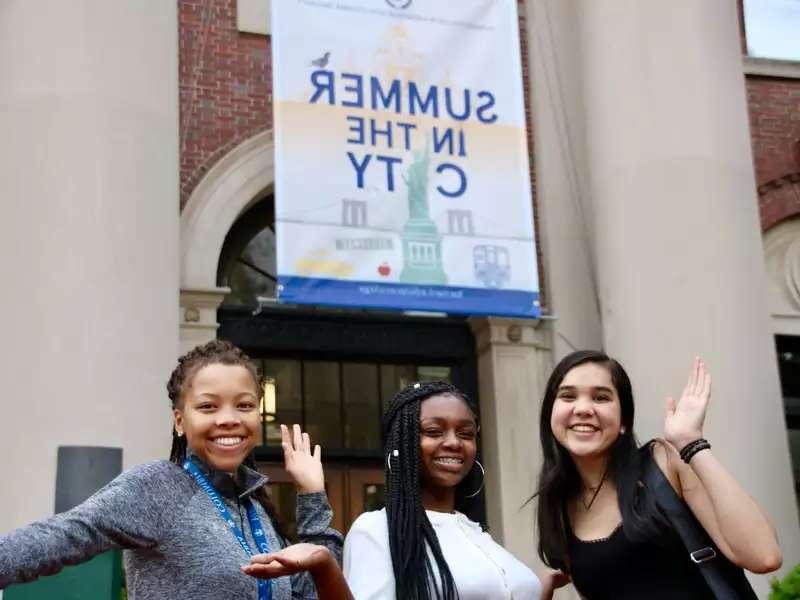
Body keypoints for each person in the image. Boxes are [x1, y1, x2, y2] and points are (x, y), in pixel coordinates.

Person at [0, 339, 345, 600]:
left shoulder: (256, 507)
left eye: (244, 405)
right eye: (208, 406)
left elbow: (314, 591)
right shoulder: (156, 487)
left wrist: (311, 495)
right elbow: (62, 536)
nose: (229, 419)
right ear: (180, 421)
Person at [536, 351, 782, 599]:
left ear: (624, 421)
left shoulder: (662, 464)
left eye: (601, 398)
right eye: (568, 396)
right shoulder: (557, 506)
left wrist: (691, 443)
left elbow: (764, 556)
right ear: (550, 415)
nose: (583, 408)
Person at [340, 380, 569, 600]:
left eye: (466, 434)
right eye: (433, 431)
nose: (454, 443)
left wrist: (537, 590)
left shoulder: (475, 532)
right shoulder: (376, 530)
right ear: (402, 444)